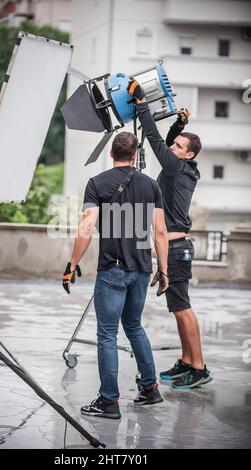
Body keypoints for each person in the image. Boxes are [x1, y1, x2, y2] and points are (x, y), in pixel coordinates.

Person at [62, 131, 169, 418]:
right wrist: (165, 270)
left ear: (112, 153)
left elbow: (86, 227)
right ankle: (150, 388)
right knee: (134, 326)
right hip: (142, 269)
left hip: (113, 269)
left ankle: (109, 401)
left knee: (107, 334)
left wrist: (72, 264)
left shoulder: (97, 183)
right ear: (135, 155)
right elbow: (160, 232)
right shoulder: (151, 186)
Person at [127, 80, 213, 390]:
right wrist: (179, 124)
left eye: (178, 146)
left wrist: (141, 105)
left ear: (187, 155)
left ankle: (199, 367)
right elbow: (167, 141)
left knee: (183, 307)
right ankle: (187, 362)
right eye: (174, 144)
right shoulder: (185, 168)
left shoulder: (176, 168)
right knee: (177, 308)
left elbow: (153, 138)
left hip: (176, 248)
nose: (172, 146)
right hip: (176, 247)